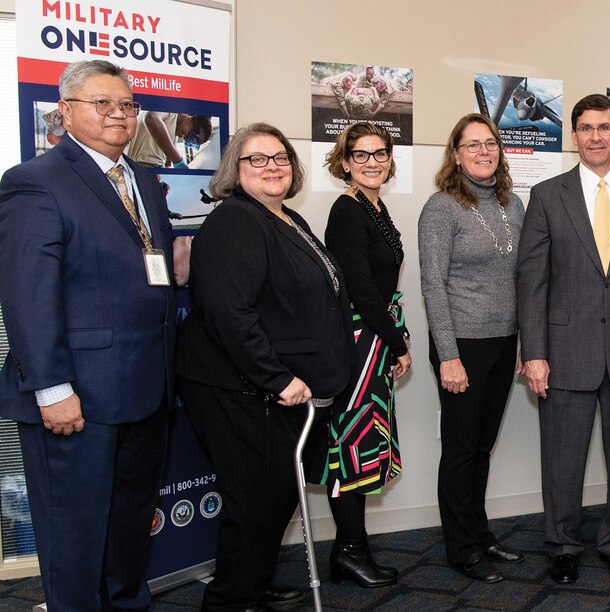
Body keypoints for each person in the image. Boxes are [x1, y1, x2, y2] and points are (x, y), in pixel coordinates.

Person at [0, 59, 176, 611]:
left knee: (128, 528)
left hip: (146, 388)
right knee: (73, 537)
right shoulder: (35, 181)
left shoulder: (143, 179)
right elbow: (28, 295)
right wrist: (51, 389)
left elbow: (142, 267)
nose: (118, 115)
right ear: (66, 111)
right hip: (78, 395)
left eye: (127, 105)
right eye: (102, 103)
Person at [176, 122, 352, 610]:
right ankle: (232, 599)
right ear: (236, 168)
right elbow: (230, 312)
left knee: (275, 495)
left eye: (280, 158)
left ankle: (251, 580)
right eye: (257, 159)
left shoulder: (286, 217)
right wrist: (277, 379)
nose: (272, 166)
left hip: (276, 386)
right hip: (239, 387)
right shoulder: (235, 221)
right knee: (255, 501)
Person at [517, 93, 610, 584]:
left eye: (604, 127)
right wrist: (534, 353)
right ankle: (562, 544)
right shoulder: (546, 195)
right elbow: (532, 281)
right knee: (562, 460)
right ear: (574, 135)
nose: (596, 137)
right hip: (564, 353)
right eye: (586, 128)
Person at [419, 114, 526, 582]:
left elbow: (521, 278)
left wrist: (525, 342)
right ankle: (461, 548)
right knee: (461, 451)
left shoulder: (513, 202)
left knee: (482, 447)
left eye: (491, 144)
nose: (484, 152)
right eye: (473, 145)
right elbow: (432, 285)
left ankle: (480, 534)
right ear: (456, 153)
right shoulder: (441, 208)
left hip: (504, 344)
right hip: (462, 344)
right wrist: (448, 356)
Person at [319, 121, 411, 589]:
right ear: (345, 162)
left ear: (390, 159)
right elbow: (360, 290)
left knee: (365, 445)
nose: (372, 162)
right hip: (359, 343)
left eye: (380, 154)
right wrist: (398, 342)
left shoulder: (375, 207)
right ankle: (350, 550)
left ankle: (350, 549)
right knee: (351, 446)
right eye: (361, 155)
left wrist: (395, 335)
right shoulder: (347, 211)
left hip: (376, 337)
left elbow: (383, 286)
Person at [126, 111, 213, 168]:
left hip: (153, 171)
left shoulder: (173, 133)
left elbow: (167, 163)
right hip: (140, 166)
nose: (186, 139)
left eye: (192, 142)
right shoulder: (170, 112)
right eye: (192, 136)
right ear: (191, 118)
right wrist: (177, 160)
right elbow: (150, 118)